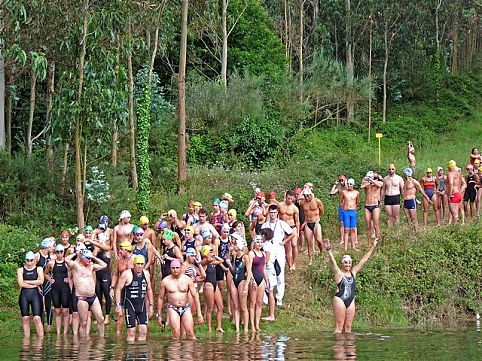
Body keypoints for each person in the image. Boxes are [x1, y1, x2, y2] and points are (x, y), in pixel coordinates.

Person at [323, 238, 378, 333]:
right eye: (345, 262)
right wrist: (329, 250)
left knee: (348, 328)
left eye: (349, 262)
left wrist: (373, 246)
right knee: (339, 327)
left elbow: (363, 260)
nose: (347, 264)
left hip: (350, 300)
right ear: (342, 263)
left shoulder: (354, 272)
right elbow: (333, 262)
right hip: (340, 299)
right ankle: (339, 346)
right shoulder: (339, 273)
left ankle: (349, 347)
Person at [157, 259, 203, 340]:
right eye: (173, 268)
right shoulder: (165, 281)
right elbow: (160, 298)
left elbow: (195, 296)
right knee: (176, 333)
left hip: (186, 307)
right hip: (173, 308)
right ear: (170, 268)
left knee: (190, 333)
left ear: (180, 267)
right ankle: (175, 352)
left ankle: (190, 352)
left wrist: (199, 313)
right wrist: (159, 315)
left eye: (177, 267)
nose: (175, 270)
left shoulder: (187, 280)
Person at [65, 249, 107, 337]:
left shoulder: (91, 266)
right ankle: (83, 345)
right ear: (82, 258)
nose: (89, 260)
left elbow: (104, 265)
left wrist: (93, 257)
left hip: (93, 297)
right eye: (87, 258)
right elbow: (66, 260)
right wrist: (75, 254)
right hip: (82, 298)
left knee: (101, 319)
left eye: (90, 258)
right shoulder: (76, 266)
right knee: (83, 323)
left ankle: (101, 339)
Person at [261, 204, 294, 309]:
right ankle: (266, 297)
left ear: (277, 213)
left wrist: (284, 242)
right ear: (269, 213)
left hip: (279, 250)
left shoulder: (281, 224)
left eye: (275, 212)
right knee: (267, 272)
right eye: (271, 212)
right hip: (268, 250)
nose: (273, 214)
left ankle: (279, 298)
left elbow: (292, 233)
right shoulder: (265, 225)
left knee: (280, 273)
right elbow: (261, 238)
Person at [115, 255, 154, 342]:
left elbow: (149, 289)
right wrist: (118, 304)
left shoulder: (146, 274)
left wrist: (151, 305)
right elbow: (118, 289)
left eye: (141, 264)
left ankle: (142, 354)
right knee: (131, 332)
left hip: (141, 306)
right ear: (134, 264)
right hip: (130, 306)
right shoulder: (126, 274)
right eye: (138, 264)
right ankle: (130, 353)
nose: (139, 266)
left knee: (143, 331)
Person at [226, 233, 252, 334]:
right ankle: (237, 329)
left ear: (239, 245)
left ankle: (245, 329)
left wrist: (246, 286)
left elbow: (249, 272)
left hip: (242, 281)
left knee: (243, 307)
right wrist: (229, 264)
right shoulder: (235, 255)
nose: (234, 245)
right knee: (236, 306)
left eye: (235, 244)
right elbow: (233, 270)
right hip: (234, 281)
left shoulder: (245, 257)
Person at [44, 244, 71, 335]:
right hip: (55, 288)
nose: (59, 254)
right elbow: (45, 273)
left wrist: (69, 279)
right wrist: (50, 280)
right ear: (55, 253)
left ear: (63, 252)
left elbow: (74, 272)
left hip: (65, 288)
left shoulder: (67, 263)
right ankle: (59, 333)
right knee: (57, 311)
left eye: (61, 252)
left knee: (65, 311)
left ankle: (65, 332)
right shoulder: (51, 263)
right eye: (58, 252)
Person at [200, 245, 227, 333]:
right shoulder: (204, 261)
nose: (212, 253)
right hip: (208, 285)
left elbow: (222, 261)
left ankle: (219, 327)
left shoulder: (211, 262)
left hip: (215, 285)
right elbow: (208, 260)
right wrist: (210, 256)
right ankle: (209, 329)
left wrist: (215, 256)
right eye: (210, 251)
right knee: (210, 308)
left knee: (220, 307)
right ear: (205, 252)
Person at [18, 251, 45, 337]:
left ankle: (41, 341)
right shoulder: (20, 270)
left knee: (37, 318)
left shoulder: (39, 269)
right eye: (28, 260)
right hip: (24, 296)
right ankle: (26, 342)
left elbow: (41, 281)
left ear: (34, 260)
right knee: (25, 318)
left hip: (35, 296)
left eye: (31, 260)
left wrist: (27, 282)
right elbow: (21, 284)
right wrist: (34, 285)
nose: (29, 262)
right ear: (25, 260)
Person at [111, 241, 134, 335]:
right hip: (121, 289)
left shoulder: (134, 259)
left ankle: (133, 333)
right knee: (120, 312)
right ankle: (118, 336)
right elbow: (116, 274)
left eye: (121, 249)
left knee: (133, 312)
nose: (119, 251)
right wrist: (112, 287)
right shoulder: (119, 259)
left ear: (127, 250)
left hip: (132, 289)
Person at [91, 232, 113, 325]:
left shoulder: (107, 249)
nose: (99, 240)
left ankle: (107, 316)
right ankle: (100, 316)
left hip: (105, 275)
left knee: (107, 295)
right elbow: (92, 258)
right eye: (98, 239)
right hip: (97, 275)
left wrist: (91, 240)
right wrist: (95, 250)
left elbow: (104, 247)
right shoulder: (96, 250)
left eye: (100, 239)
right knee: (98, 295)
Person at [248, 234, 268, 332]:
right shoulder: (251, 253)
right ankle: (252, 325)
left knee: (259, 303)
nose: (259, 244)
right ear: (254, 243)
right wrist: (252, 280)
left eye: (261, 242)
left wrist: (267, 281)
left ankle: (257, 324)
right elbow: (249, 269)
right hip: (254, 279)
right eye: (258, 242)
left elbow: (264, 269)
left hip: (261, 280)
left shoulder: (264, 254)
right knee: (252, 303)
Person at [299, 187, 324, 265]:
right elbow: (303, 211)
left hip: (316, 222)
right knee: (309, 242)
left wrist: (316, 217)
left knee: (319, 240)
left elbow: (322, 211)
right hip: (308, 224)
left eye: (308, 196)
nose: (307, 197)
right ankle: (310, 259)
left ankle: (321, 252)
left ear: (311, 195)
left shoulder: (317, 201)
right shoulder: (302, 203)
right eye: (305, 196)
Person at [402, 167, 432, 232]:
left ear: (407, 174)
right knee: (408, 219)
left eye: (404, 173)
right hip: (405, 201)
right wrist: (403, 202)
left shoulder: (414, 182)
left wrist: (428, 199)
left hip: (412, 201)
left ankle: (416, 232)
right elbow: (404, 193)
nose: (403, 175)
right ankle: (411, 233)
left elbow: (422, 191)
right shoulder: (404, 182)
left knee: (414, 219)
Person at [277, 190, 300, 271]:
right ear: (285, 197)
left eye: (291, 199)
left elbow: (297, 221)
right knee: (287, 247)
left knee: (294, 245)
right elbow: (276, 216)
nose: (289, 200)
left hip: (292, 226)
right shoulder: (280, 205)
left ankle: (294, 263)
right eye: (288, 198)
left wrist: (297, 232)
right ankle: (290, 265)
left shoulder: (295, 208)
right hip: (283, 227)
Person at [35, 238, 54, 328]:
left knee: (49, 304)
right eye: (52, 246)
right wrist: (36, 285)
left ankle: (49, 325)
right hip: (39, 283)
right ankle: (41, 325)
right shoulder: (37, 256)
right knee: (40, 305)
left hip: (48, 283)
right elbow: (33, 270)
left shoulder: (52, 257)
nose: (53, 248)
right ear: (47, 246)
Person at [360, 171, 383, 243]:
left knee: (376, 225)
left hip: (375, 205)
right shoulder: (367, 184)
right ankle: (369, 243)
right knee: (368, 226)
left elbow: (380, 185)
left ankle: (378, 241)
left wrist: (372, 180)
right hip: (367, 206)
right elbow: (361, 186)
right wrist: (368, 181)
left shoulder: (379, 183)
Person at [381, 164, 404, 228]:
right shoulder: (385, 179)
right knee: (389, 216)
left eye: (392, 169)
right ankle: (389, 232)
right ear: (388, 170)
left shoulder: (399, 178)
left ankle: (397, 233)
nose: (391, 170)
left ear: (395, 169)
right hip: (387, 197)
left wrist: (404, 198)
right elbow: (383, 190)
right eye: (390, 169)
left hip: (395, 197)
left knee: (396, 216)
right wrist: (381, 199)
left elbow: (403, 189)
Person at [340, 179, 360, 251]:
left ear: (353, 185)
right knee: (346, 229)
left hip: (353, 211)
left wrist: (354, 208)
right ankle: (345, 248)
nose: (349, 185)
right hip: (346, 212)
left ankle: (353, 246)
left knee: (353, 229)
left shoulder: (356, 193)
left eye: (350, 184)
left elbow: (357, 202)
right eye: (348, 184)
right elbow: (341, 201)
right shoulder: (344, 192)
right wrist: (343, 209)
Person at [329, 176, 347, 244]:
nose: (341, 181)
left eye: (342, 180)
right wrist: (335, 184)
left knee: (348, 224)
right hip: (341, 207)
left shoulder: (348, 187)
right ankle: (342, 239)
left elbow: (347, 189)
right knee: (342, 223)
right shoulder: (339, 188)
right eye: (340, 180)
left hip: (348, 208)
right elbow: (331, 193)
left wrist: (345, 182)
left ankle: (351, 238)